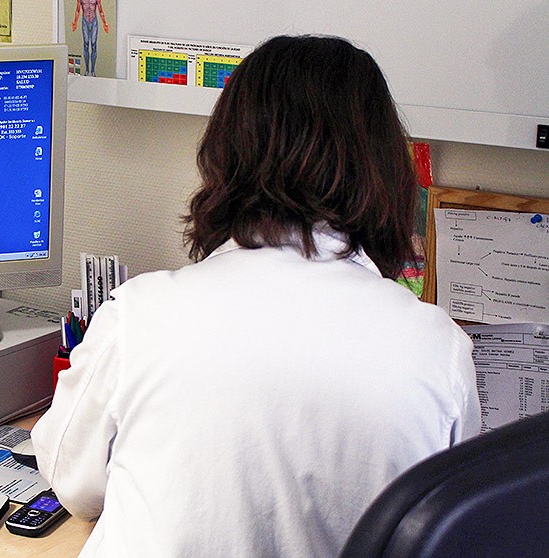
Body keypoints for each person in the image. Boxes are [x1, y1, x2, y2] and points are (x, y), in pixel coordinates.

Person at [31, 35, 481, 557]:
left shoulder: (142, 316)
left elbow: (73, 484)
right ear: (383, 169)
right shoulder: (436, 351)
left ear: (225, 155)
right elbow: (451, 532)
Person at [71, 0, 109, 76]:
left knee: (94, 45)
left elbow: (100, 9)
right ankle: (87, 69)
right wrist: (75, 22)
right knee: (86, 45)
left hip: (94, 21)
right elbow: (78, 10)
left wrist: (104, 23)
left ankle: (93, 70)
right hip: (85, 21)